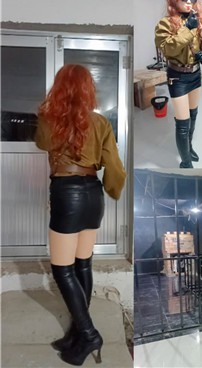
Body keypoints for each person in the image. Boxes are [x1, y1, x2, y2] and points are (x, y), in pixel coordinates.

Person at [35, 64, 127, 366]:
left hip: (68, 194)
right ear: (88, 89)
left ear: (60, 88)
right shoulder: (100, 122)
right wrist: (113, 190)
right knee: (82, 264)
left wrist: (46, 110)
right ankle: (77, 331)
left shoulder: (51, 119)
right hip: (93, 195)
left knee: (62, 270)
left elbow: (41, 143)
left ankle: (88, 334)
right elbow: (114, 166)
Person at [155, 0, 202, 168]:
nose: (189, 2)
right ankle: (185, 162)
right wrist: (187, 29)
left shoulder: (196, 19)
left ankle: (189, 147)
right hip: (178, 77)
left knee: (193, 115)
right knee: (183, 123)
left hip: (195, 74)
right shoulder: (165, 24)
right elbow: (168, 49)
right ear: (173, 0)